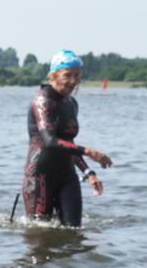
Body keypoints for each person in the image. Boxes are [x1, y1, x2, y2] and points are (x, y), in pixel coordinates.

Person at [21, 49, 113, 227]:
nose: (73, 81)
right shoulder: (42, 100)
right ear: (53, 76)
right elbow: (49, 141)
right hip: (41, 176)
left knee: (74, 231)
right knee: (41, 235)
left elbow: (68, 144)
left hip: (67, 176)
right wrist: (87, 151)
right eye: (67, 75)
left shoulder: (71, 103)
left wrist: (88, 173)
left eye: (77, 75)